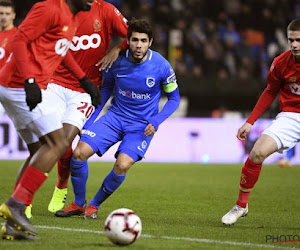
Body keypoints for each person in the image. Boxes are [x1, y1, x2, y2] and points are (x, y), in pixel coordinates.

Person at [55, 18, 180, 219]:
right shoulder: (116, 62)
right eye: (135, 40)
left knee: (122, 165)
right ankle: (79, 203)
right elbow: (104, 91)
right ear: (127, 41)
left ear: (151, 42)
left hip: (141, 125)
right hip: (114, 118)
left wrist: (156, 121)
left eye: (143, 41)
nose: (139, 45)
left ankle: (94, 205)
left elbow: (174, 99)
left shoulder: (161, 66)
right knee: (78, 153)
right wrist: (87, 121)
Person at [13, 0, 129, 216]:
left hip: (85, 90)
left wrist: (118, 49)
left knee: (64, 141)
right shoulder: (60, 12)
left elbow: (133, 32)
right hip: (54, 84)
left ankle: (60, 186)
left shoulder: (104, 10)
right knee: (48, 144)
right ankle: (24, 201)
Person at [0, 0, 101, 240]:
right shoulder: (49, 8)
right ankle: (16, 205)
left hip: (14, 86)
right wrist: (30, 81)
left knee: (37, 150)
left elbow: (61, 51)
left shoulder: (72, 17)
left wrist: (84, 80)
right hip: (19, 85)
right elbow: (18, 40)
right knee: (58, 144)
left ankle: (13, 225)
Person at [221, 18, 300, 226]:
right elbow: (270, 91)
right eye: (291, 40)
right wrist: (250, 121)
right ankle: (241, 205)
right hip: (291, 115)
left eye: (299, 40)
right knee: (256, 152)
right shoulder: (281, 63)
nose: (294, 45)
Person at [0, 0, 16, 117]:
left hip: (11, 89)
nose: (4, 17)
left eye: (7, 13)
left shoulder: (18, 36)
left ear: (14, 15)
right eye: (1, 13)